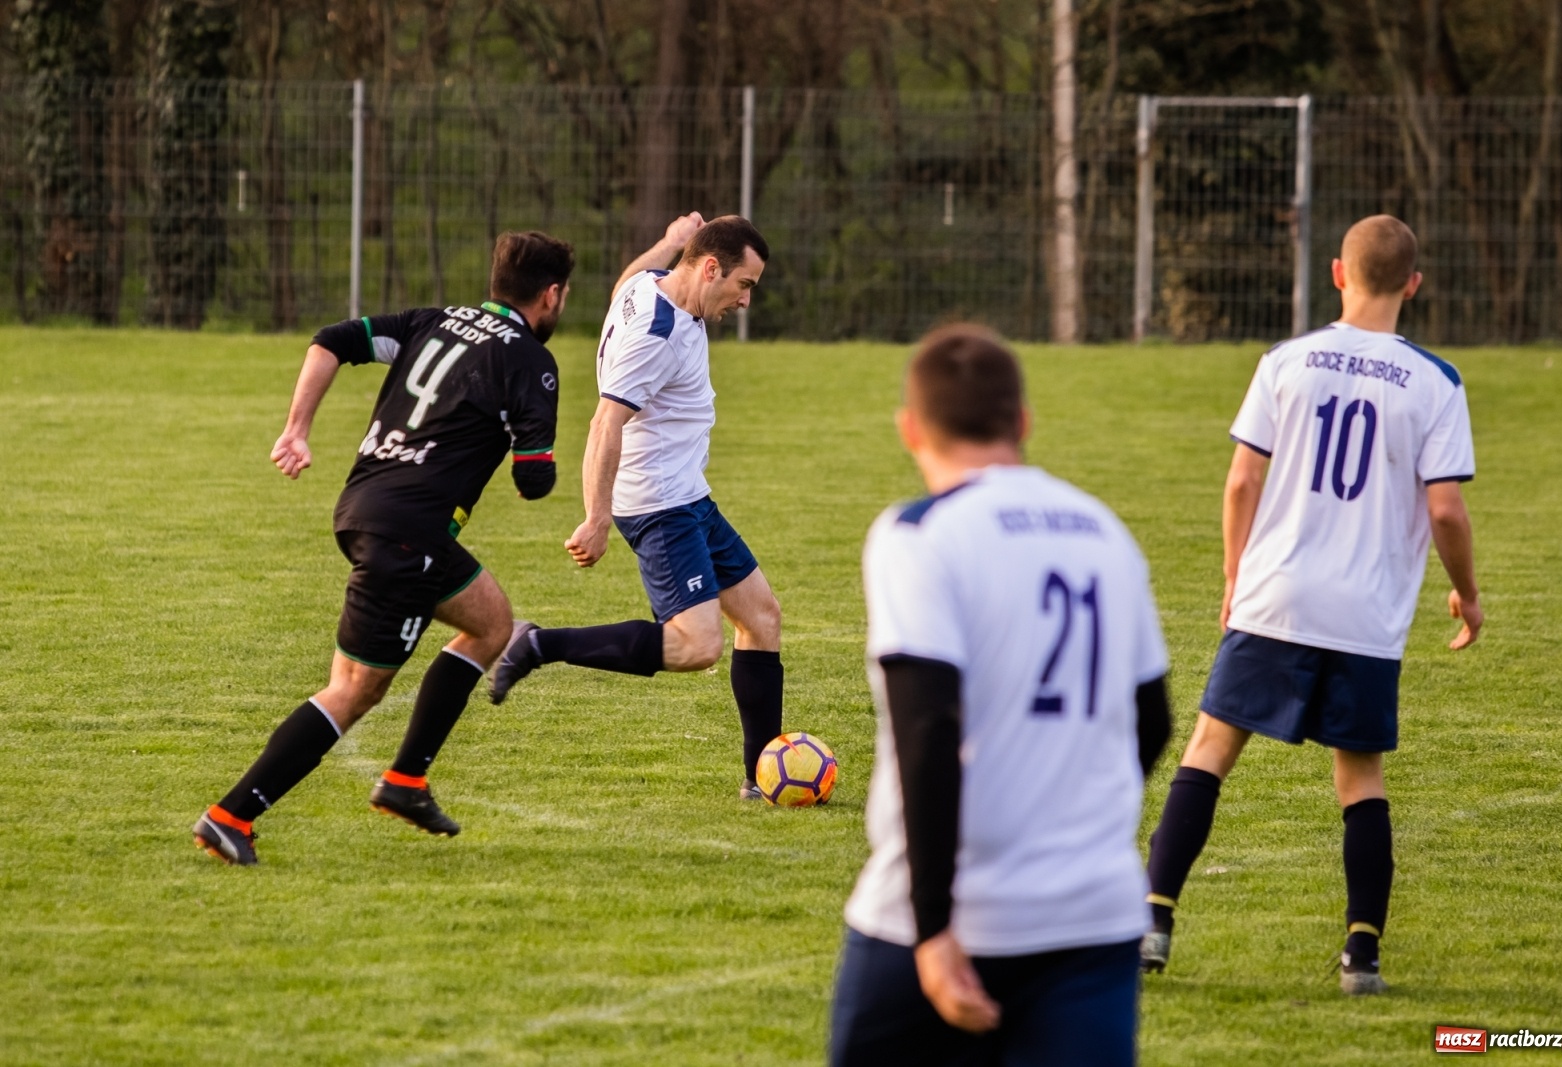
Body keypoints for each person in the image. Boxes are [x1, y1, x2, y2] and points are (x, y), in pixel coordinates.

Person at [1139, 214, 1482, 994]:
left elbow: (1241, 480)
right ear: (1413, 285)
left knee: (1210, 748)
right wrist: (1467, 594)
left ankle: (1154, 918)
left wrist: (1234, 575)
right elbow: (1446, 510)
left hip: (1276, 594)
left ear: (1337, 273)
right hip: (1366, 611)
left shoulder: (1285, 361)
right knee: (1360, 777)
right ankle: (1362, 956)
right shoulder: (1436, 381)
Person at [829, 325, 1173, 1066]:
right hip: (1093, 915)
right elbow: (1152, 719)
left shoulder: (918, 534)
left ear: (910, 429)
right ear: (1022, 421)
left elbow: (928, 730)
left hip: (945, 919)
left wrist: (933, 929)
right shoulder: (1104, 531)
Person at [192, 231, 575, 866]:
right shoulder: (529, 361)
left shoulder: (431, 321)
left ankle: (406, 781)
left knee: (491, 623)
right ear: (552, 295)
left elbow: (331, 340)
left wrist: (296, 430)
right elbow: (534, 480)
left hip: (366, 506)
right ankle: (231, 815)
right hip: (409, 533)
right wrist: (526, 439)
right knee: (353, 690)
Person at [490, 213, 785, 800]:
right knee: (696, 645)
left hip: (688, 493)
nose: (745, 300)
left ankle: (762, 777)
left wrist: (669, 242)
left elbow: (628, 278)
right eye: (744, 284)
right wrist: (596, 517)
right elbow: (605, 423)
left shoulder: (649, 283)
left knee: (762, 618)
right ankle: (537, 643)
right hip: (658, 503)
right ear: (710, 269)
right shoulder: (656, 335)